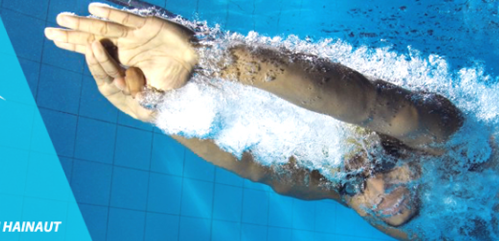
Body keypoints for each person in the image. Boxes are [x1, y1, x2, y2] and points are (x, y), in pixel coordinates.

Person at [44, 3, 465, 240]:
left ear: (412, 153)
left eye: (385, 167)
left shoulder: (453, 142)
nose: (377, 191)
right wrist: (165, 111)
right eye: (357, 182)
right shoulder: (352, 192)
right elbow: (261, 169)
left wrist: (221, 59)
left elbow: (367, 104)